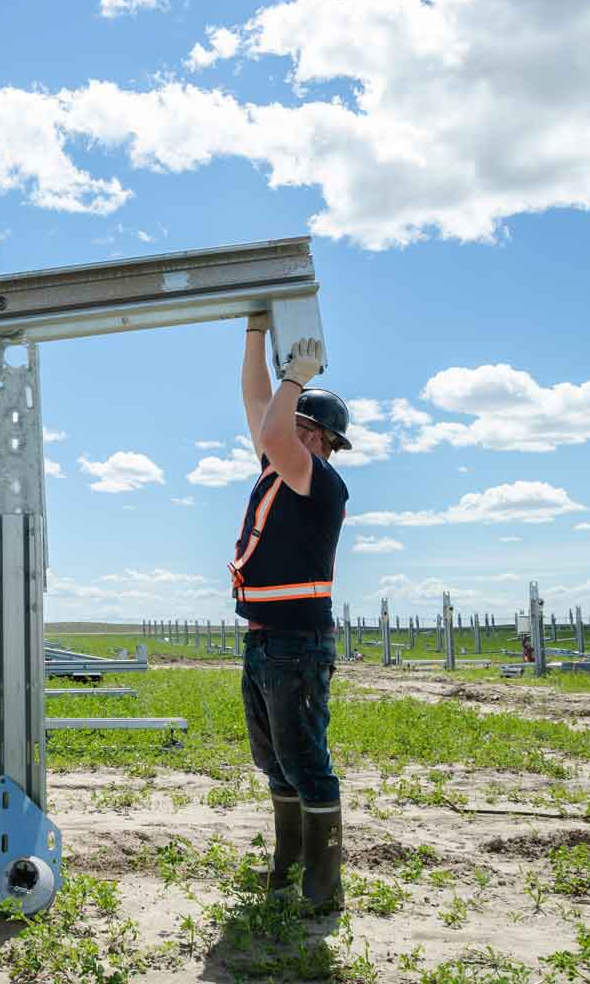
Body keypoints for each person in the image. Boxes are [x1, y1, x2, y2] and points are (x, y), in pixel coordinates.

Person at [230, 312, 352, 912]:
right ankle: (288, 867)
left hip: (296, 644)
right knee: (275, 761)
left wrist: (297, 379)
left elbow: (275, 427)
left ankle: (322, 890)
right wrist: (256, 331)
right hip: (264, 642)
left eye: (303, 427)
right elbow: (258, 404)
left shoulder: (318, 480)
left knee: (306, 760)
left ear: (322, 441)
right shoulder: (279, 468)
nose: (286, 431)